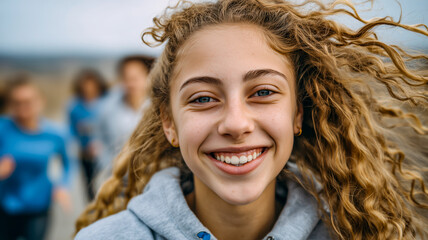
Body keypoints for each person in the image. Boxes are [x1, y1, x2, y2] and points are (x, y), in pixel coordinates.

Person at [75, 0, 428, 239]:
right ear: (170, 123)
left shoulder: (355, 234)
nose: (236, 123)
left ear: (297, 113)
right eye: (202, 98)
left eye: (262, 92)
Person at [0, 76, 72, 240]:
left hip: (39, 205)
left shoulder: (55, 134)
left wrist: (62, 185)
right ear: (10, 105)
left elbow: (68, 163)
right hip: (5, 205)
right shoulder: (2, 129)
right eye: (17, 102)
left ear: (41, 101)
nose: (23, 107)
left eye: (28, 101)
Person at [94, 56, 154, 171]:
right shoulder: (106, 107)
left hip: (152, 174)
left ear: (148, 77)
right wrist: (108, 166)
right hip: (118, 175)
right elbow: (99, 138)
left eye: (135, 78)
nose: (131, 84)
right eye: (127, 78)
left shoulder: (160, 108)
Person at [68, 69, 108, 201]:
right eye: (85, 86)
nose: (88, 89)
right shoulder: (74, 107)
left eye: (92, 85)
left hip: (107, 152)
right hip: (85, 154)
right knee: (89, 184)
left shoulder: (107, 103)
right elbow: (71, 131)